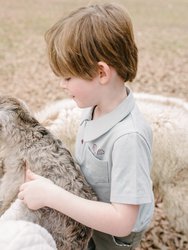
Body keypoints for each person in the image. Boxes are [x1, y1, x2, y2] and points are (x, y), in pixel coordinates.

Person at [18, 3, 154, 249]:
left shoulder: (128, 138)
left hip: (112, 238)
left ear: (101, 73)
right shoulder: (95, 106)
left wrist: (53, 196)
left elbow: (122, 221)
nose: (62, 85)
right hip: (93, 215)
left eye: (68, 77)